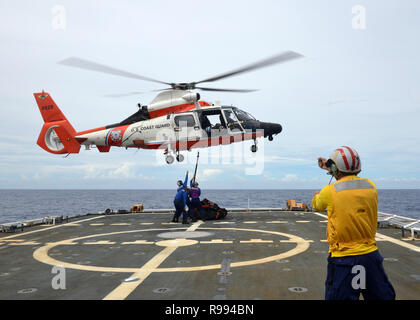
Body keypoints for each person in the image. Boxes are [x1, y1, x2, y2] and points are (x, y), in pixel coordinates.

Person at [312, 146, 395, 300]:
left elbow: (317, 205)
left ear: (336, 169)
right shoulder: (371, 186)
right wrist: (330, 167)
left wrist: (319, 191)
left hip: (344, 258)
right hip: (370, 256)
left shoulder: (329, 191)